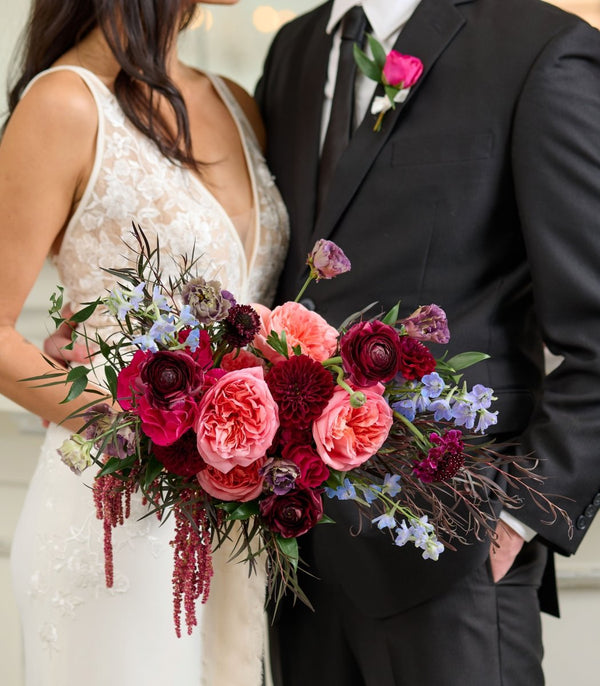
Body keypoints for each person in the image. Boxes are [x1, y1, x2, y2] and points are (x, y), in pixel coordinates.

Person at [256, 0, 600, 684]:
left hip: (452, 559)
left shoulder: (542, 50)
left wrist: (520, 513)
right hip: (296, 562)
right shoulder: (293, 50)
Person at [2, 1, 288, 684]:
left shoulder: (238, 103)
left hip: (233, 516)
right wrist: (145, 433)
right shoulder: (66, 104)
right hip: (113, 511)